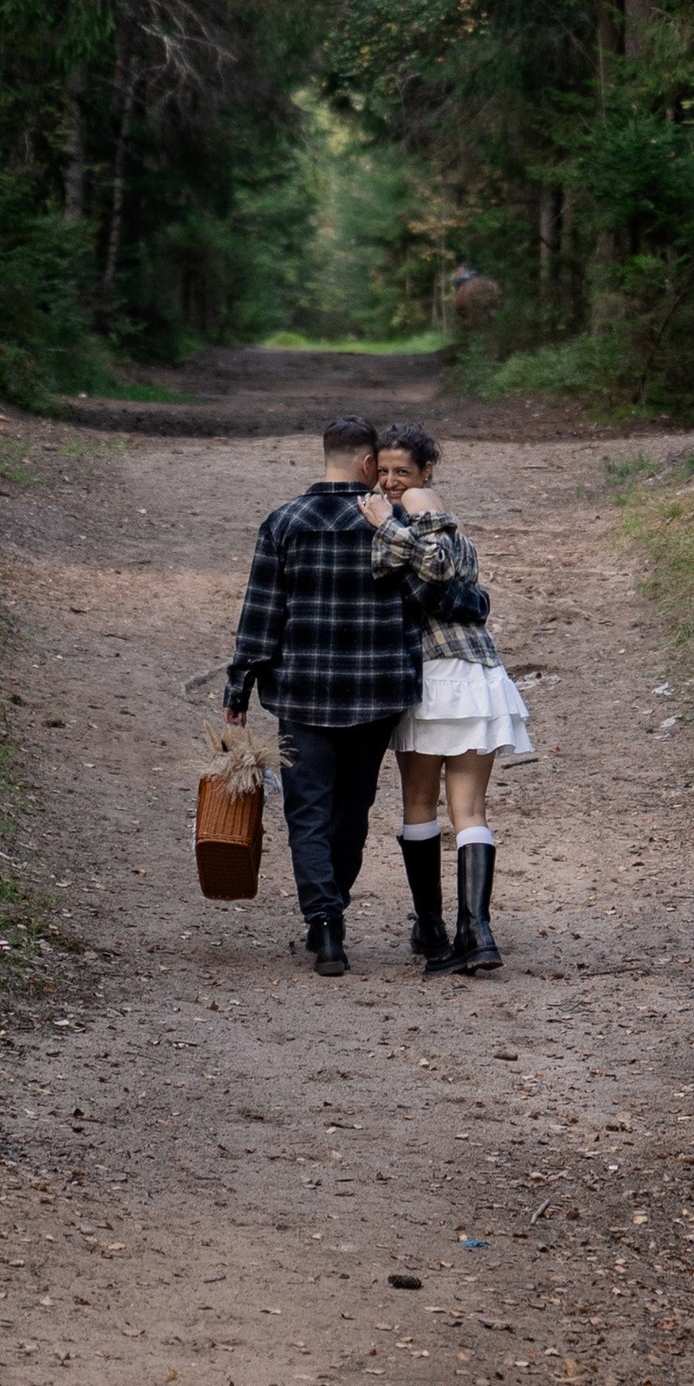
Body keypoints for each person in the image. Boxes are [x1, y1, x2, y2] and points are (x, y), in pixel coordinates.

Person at [219, 414, 420, 978]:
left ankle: (326, 926)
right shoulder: (393, 524)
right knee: (352, 810)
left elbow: (261, 614)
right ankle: (329, 910)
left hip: (303, 695)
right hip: (376, 693)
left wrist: (240, 686)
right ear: (366, 464)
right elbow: (416, 606)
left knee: (307, 810)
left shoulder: (284, 521)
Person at [369, 423, 531, 976]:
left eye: (404, 473)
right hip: (477, 673)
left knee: (421, 805)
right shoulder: (457, 533)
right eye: (384, 472)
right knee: (470, 811)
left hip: (432, 676)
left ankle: (441, 927)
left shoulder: (398, 526)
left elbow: (427, 574)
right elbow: (469, 592)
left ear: (426, 473)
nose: (392, 482)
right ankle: (472, 932)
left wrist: (391, 519)